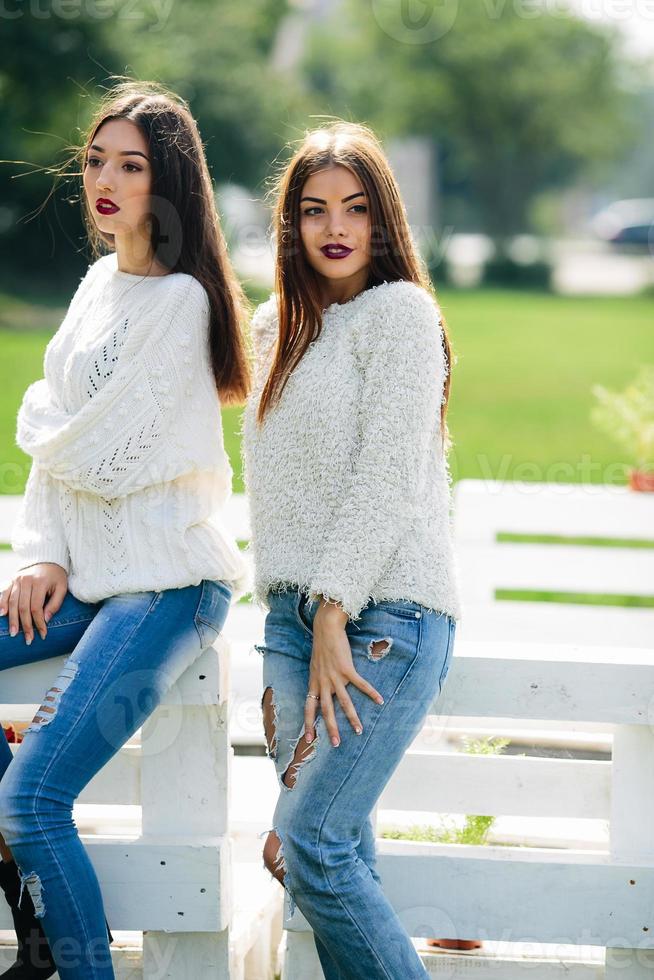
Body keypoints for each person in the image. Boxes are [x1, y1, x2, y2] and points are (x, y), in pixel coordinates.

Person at [0, 80, 251, 980]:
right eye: (96, 160)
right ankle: (30, 921)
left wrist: (47, 423)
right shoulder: (98, 283)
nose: (104, 179)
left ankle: (64, 961)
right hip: (91, 572)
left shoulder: (181, 302)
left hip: (168, 585)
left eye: (132, 165)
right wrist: (41, 553)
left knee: (34, 800)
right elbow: (61, 448)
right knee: (14, 803)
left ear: (169, 184)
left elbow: (95, 454)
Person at [241, 120, 463, 980]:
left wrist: (336, 605)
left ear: (384, 221)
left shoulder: (403, 315)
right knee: (339, 856)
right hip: (292, 622)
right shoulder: (275, 329)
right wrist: (300, 610)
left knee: (311, 846)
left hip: (385, 616)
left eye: (357, 208)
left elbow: (391, 475)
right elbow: (279, 488)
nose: (335, 227)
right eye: (313, 210)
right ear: (290, 225)